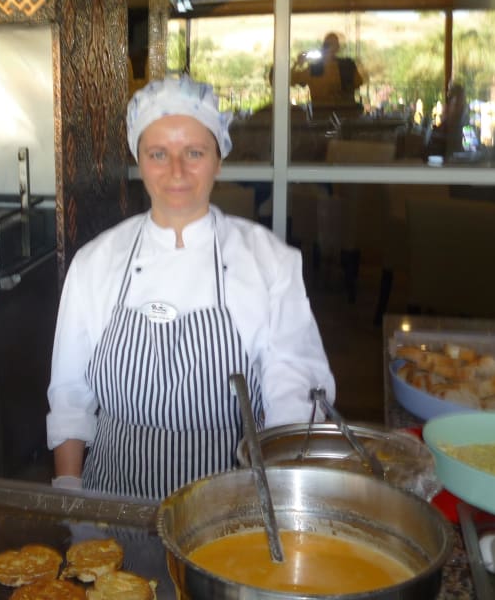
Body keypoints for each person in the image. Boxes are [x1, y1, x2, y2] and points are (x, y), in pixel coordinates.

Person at [46, 75, 335, 500]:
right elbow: (70, 394)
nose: (176, 171)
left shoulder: (269, 262)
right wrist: (69, 493)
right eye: (158, 153)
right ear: (138, 160)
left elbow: (294, 390)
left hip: (231, 506)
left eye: (194, 153)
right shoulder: (96, 262)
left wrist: (283, 496)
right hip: (114, 504)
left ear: (219, 160)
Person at [290, 32, 365, 118]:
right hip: (339, 116)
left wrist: (298, 64)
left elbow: (291, 80)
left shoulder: (316, 68)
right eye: (328, 45)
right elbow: (359, 82)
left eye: (329, 45)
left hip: (329, 116)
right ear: (338, 48)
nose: (329, 49)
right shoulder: (346, 65)